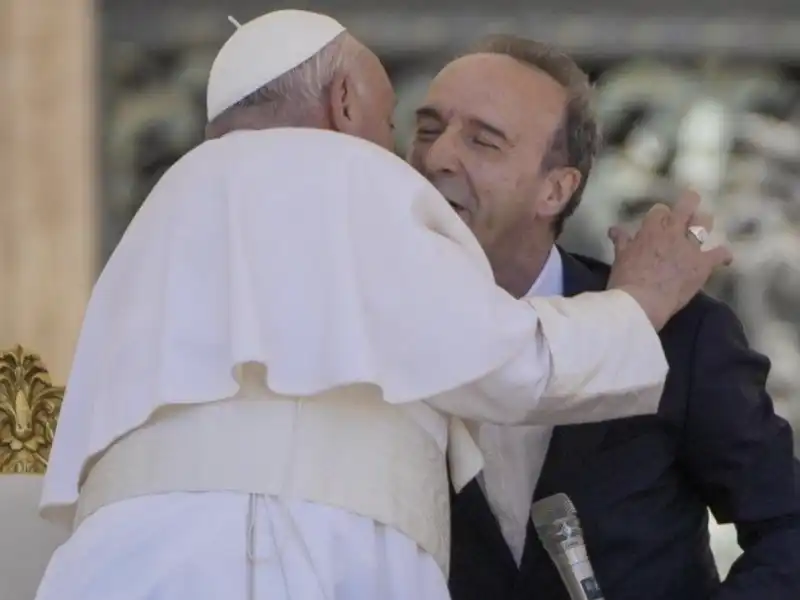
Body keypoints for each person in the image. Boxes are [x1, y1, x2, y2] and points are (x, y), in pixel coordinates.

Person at [35, 12, 728, 600]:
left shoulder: (163, 209)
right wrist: (638, 303)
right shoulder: (348, 170)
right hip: (300, 554)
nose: (413, 158)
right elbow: (509, 365)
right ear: (343, 102)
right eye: (400, 123)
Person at [407, 34, 800, 600]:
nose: (436, 157)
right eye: (425, 130)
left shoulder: (681, 336)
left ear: (556, 189)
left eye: (483, 141)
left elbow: (786, 530)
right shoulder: (371, 331)